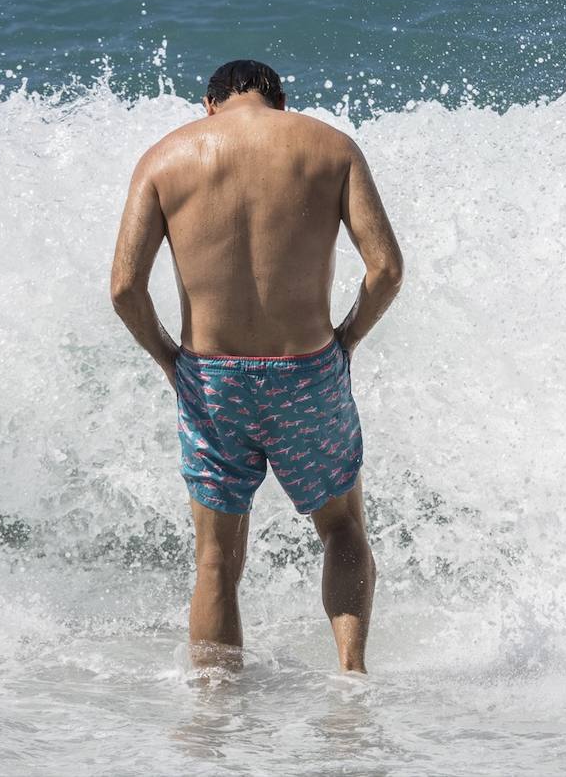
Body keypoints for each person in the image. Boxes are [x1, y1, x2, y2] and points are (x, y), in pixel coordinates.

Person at [109, 59, 404, 673]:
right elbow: (386, 270)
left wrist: (170, 358)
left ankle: (215, 708)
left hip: (211, 377)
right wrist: (346, 339)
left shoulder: (164, 158)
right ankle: (351, 678)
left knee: (215, 560)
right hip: (307, 371)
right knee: (343, 529)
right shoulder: (330, 148)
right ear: (279, 99)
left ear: (209, 103)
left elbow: (124, 289)